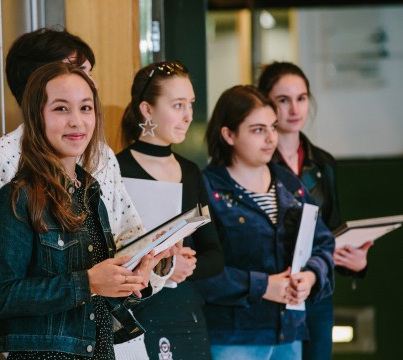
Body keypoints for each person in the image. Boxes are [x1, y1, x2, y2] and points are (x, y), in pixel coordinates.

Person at [0, 28, 174, 359]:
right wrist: (87, 283)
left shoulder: (88, 189)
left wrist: (134, 279)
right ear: (35, 114)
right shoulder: (18, 197)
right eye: (60, 109)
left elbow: (99, 296)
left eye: (85, 108)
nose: (77, 122)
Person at [197, 85, 335, 360]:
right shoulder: (206, 189)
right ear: (228, 134)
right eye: (258, 130)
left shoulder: (289, 184)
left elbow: (323, 243)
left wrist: (310, 276)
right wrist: (263, 285)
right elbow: (199, 270)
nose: (271, 138)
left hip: (289, 331)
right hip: (234, 337)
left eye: (273, 127)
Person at [257, 61, 373, 360]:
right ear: (265, 103)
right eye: (283, 100)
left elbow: (331, 229)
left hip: (316, 289)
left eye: (302, 98)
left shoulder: (322, 163)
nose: (294, 108)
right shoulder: (255, 161)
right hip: (272, 286)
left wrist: (355, 263)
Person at [117, 60, 224, 359]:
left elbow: (214, 254)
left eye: (190, 104)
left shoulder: (190, 171)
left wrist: (187, 266)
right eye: (177, 105)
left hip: (187, 310)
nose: (188, 115)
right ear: (147, 110)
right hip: (137, 308)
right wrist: (166, 266)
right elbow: (108, 254)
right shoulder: (116, 170)